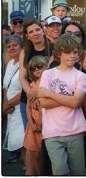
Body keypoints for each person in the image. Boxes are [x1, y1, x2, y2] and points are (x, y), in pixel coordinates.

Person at [37, 34, 86, 175]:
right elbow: (43, 102)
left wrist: (49, 93)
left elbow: (76, 102)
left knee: (78, 172)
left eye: (75, 52)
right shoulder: (48, 74)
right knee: (60, 171)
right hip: (52, 131)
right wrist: (68, 98)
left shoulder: (80, 76)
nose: (72, 56)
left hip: (75, 130)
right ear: (59, 53)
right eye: (68, 52)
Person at [60, 21, 86, 164]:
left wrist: (81, 83)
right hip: (59, 113)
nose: (73, 37)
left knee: (79, 160)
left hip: (82, 113)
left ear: (82, 38)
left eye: (77, 34)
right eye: (68, 33)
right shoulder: (55, 58)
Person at [18, 20, 52, 175]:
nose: (35, 33)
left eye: (37, 29)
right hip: (29, 102)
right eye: (31, 32)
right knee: (33, 144)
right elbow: (23, 77)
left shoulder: (53, 49)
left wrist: (38, 90)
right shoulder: (25, 52)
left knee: (49, 144)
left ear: (43, 30)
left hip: (49, 100)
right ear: (27, 36)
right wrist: (30, 92)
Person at [23, 55, 49, 175]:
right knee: (35, 153)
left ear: (46, 66)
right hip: (33, 123)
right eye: (33, 69)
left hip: (47, 122)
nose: (37, 70)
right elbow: (28, 106)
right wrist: (32, 124)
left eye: (40, 67)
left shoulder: (49, 83)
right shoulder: (32, 85)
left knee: (46, 154)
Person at [3, 35, 25, 164]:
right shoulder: (10, 63)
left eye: (15, 45)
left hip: (20, 108)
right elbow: (6, 86)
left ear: (22, 47)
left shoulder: (25, 63)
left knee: (22, 141)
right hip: (10, 109)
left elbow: (25, 90)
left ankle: (29, 168)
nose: (11, 48)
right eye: (9, 46)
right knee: (15, 139)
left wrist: (9, 103)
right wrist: (5, 103)